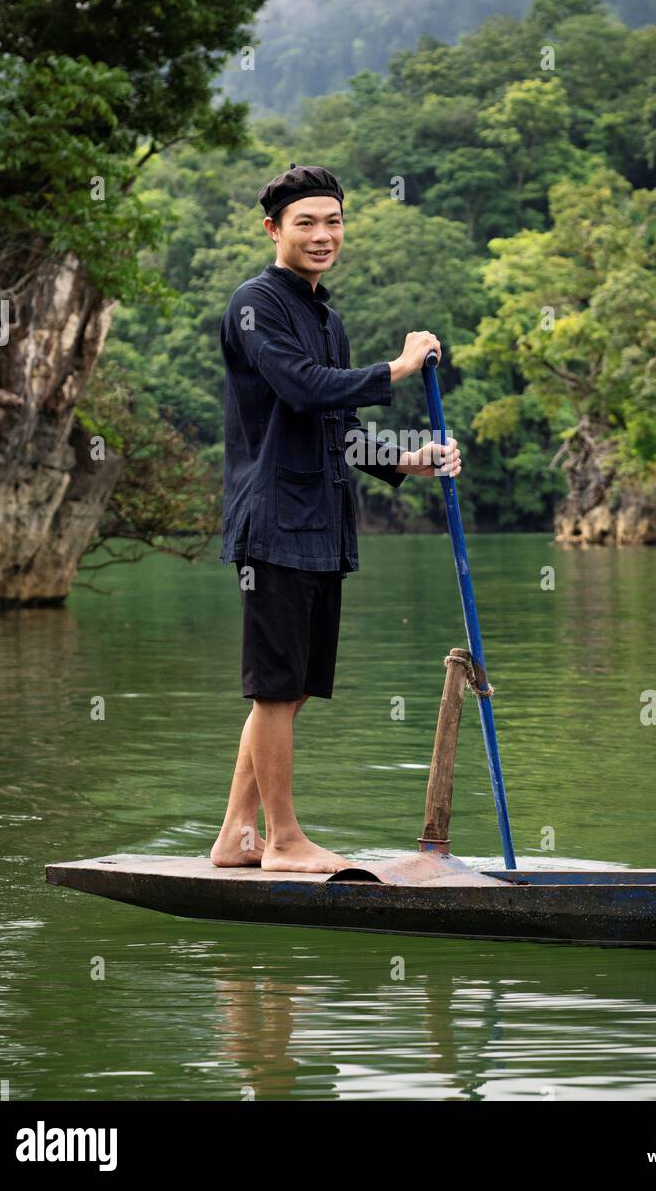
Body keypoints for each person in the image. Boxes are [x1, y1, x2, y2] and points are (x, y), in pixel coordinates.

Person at [211, 163, 461, 873]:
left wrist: (416, 459)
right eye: (306, 223)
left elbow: (342, 430)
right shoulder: (255, 305)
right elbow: (301, 387)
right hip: (273, 523)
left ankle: (238, 834)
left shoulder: (327, 317)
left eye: (334, 222)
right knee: (275, 687)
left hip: (322, 519)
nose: (323, 236)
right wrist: (399, 368)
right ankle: (284, 842)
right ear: (274, 230)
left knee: (288, 694)